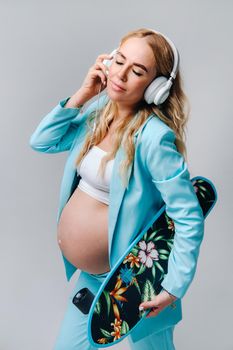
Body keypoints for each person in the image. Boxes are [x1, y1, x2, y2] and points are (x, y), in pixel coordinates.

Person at [29, 28, 205, 350]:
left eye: (137, 71)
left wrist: (174, 286)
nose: (121, 75)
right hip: (94, 281)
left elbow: (188, 215)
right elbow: (42, 141)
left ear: (157, 88)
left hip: (137, 282)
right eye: (118, 61)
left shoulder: (154, 139)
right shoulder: (98, 115)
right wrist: (82, 95)